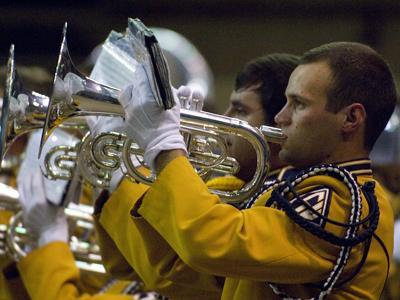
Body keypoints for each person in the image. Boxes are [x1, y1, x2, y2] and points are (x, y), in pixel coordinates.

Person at [110, 41, 396, 299]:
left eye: (298, 104)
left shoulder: (344, 202)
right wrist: (128, 176)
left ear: (351, 118)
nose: (281, 117)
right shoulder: (303, 187)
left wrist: (164, 147)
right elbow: (175, 274)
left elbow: (213, 242)